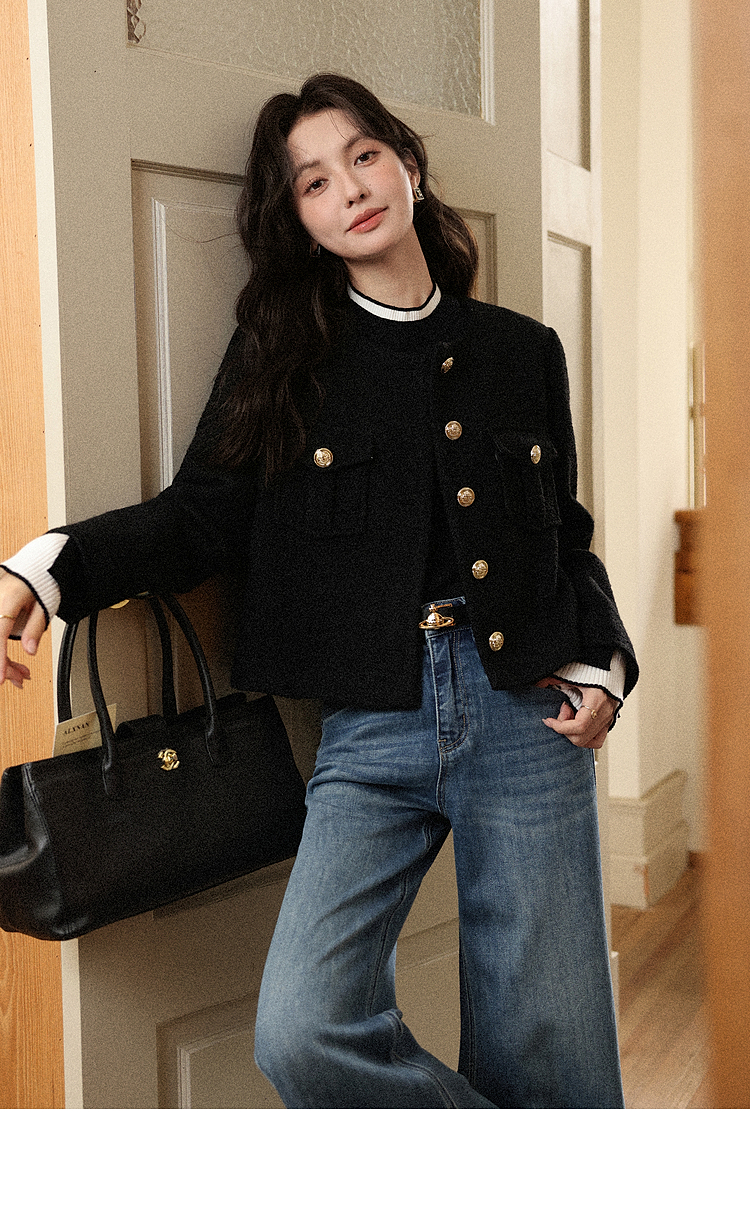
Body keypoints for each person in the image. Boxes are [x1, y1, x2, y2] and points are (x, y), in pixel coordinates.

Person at [0, 74, 637, 1108]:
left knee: (550, 1052)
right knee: (304, 1028)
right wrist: (47, 565)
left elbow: (563, 533)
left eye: (364, 156)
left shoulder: (522, 351)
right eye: (314, 182)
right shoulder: (283, 358)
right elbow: (199, 519)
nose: (350, 188)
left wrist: (602, 661)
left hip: (527, 711)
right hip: (371, 728)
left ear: (408, 164)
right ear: (299, 221)